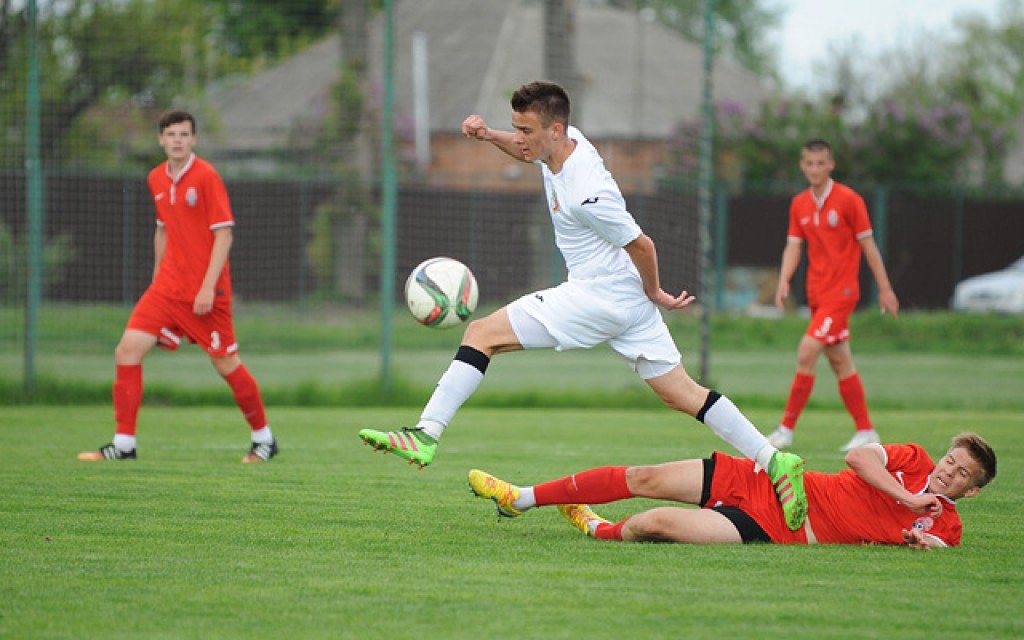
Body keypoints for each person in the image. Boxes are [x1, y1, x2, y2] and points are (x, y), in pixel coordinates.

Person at [358, 80, 808, 530]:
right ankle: (775, 461)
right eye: (516, 127)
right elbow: (527, 152)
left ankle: (426, 433)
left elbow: (643, 245)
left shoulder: (588, 191)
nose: (520, 137)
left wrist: (656, 292)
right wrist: (490, 136)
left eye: (526, 130)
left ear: (555, 129)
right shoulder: (560, 146)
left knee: (480, 334)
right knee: (682, 392)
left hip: (600, 295)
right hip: (622, 300)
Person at [78, 110, 278, 463]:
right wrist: (157, 279)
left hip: (206, 293)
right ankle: (123, 445)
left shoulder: (206, 177)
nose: (177, 140)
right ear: (161, 139)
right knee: (127, 351)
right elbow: (163, 230)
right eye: (170, 134)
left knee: (226, 364)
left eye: (184, 134)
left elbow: (224, 235)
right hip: (166, 289)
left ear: (194, 140)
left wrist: (206, 287)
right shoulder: (156, 178)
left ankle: (264, 439)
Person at [469, 432, 995, 549]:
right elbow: (857, 457)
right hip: (771, 482)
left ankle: (596, 527)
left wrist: (921, 540)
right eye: (953, 460)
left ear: (971, 490)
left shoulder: (948, 523)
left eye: (962, 474)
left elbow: (938, 548)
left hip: (778, 528)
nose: (949, 471)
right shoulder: (913, 462)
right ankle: (523, 496)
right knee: (644, 477)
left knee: (652, 523)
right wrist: (905, 497)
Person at [767, 139, 900, 453]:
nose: (815, 169)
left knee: (806, 350)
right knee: (841, 361)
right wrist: (784, 278)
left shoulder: (849, 200)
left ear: (831, 165)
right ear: (803, 166)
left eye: (820, 163)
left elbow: (869, 246)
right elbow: (794, 245)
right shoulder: (799, 203)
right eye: (809, 164)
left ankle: (785, 430)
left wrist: (884, 288)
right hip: (817, 293)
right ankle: (866, 430)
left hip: (841, 294)